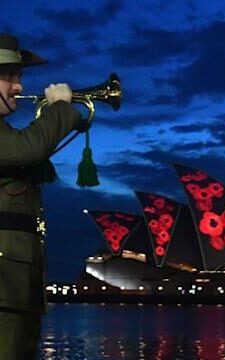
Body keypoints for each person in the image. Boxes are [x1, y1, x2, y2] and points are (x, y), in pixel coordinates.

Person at [0, 33, 84, 359]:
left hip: (16, 288)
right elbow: (28, 149)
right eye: (9, 76)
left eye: (19, 77)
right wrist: (61, 110)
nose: (19, 87)